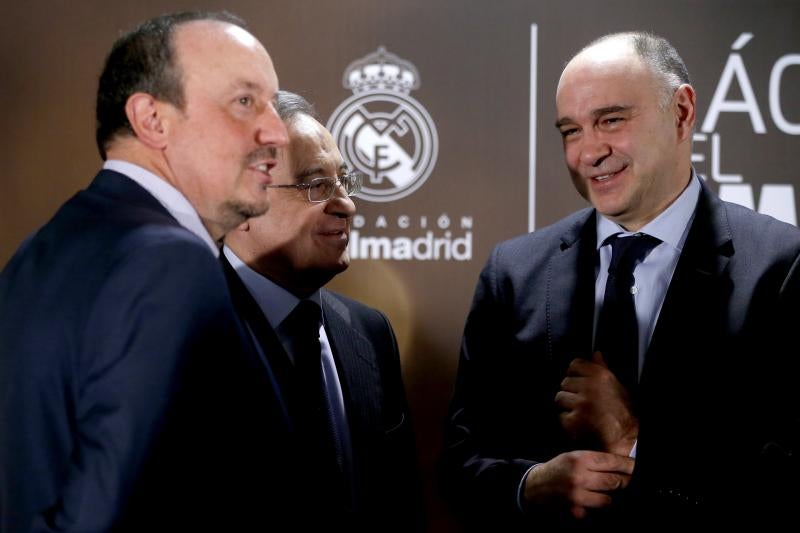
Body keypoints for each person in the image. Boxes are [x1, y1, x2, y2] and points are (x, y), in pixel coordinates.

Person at [440, 31, 800, 531]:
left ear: (681, 112)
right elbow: (462, 464)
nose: (589, 151)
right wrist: (530, 486)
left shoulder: (782, 266)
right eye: (570, 131)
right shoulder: (514, 271)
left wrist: (631, 436)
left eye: (610, 120)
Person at [0, 11, 288, 531]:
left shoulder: (39, 252)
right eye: (244, 102)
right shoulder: (170, 263)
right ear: (152, 120)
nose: (277, 131)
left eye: (272, 103)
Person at [222, 90, 425, 531]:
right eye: (316, 186)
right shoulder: (178, 335)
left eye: (344, 182)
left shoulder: (369, 332)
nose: (347, 205)